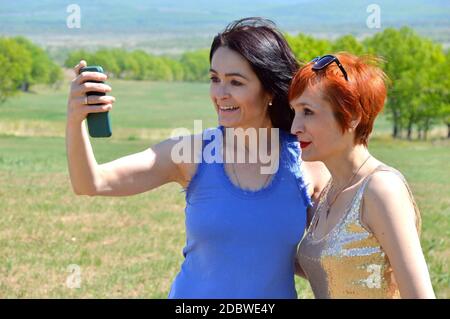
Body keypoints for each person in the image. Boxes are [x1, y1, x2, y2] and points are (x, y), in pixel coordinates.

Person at [66, 17, 324, 298]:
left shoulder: (308, 163)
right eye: (215, 79)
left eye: (235, 82)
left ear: (270, 91)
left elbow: (329, 258)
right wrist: (75, 120)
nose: (220, 94)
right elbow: (91, 183)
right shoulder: (190, 154)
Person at [289, 53, 436, 298]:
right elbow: (335, 270)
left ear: (352, 116)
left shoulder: (381, 188)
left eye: (308, 112)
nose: (295, 127)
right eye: (295, 111)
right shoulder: (330, 190)